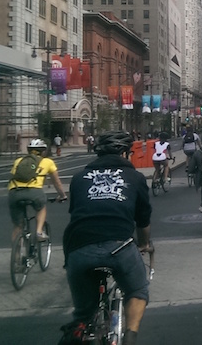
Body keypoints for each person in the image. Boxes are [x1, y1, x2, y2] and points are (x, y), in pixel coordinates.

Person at [60, 131, 152, 345]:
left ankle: (80, 328)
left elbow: (76, 213)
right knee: (137, 290)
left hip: (78, 246)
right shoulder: (135, 178)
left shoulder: (78, 178)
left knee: (83, 312)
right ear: (125, 153)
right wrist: (145, 243)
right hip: (119, 245)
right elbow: (143, 220)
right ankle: (130, 336)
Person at [8, 139, 67, 242]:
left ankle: (16, 255)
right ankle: (39, 232)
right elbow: (57, 182)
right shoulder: (48, 162)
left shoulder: (19, 161)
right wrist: (62, 195)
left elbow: (13, 176)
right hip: (34, 192)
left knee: (18, 226)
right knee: (41, 207)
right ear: (43, 151)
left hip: (14, 192)